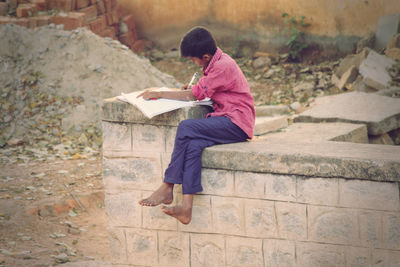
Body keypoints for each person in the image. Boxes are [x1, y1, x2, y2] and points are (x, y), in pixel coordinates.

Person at [138, 26, 255, 224]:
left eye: (193, 59)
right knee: (193, 145)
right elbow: (202, 88)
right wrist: (194, 88)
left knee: (186, 127)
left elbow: (194, 94)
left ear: (206, 56)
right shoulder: (216, 62)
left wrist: (160, 94)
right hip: (227, 119)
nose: (192, 62)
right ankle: (186, 208)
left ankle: (168, 186)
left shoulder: (223, 66)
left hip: (236, 122)